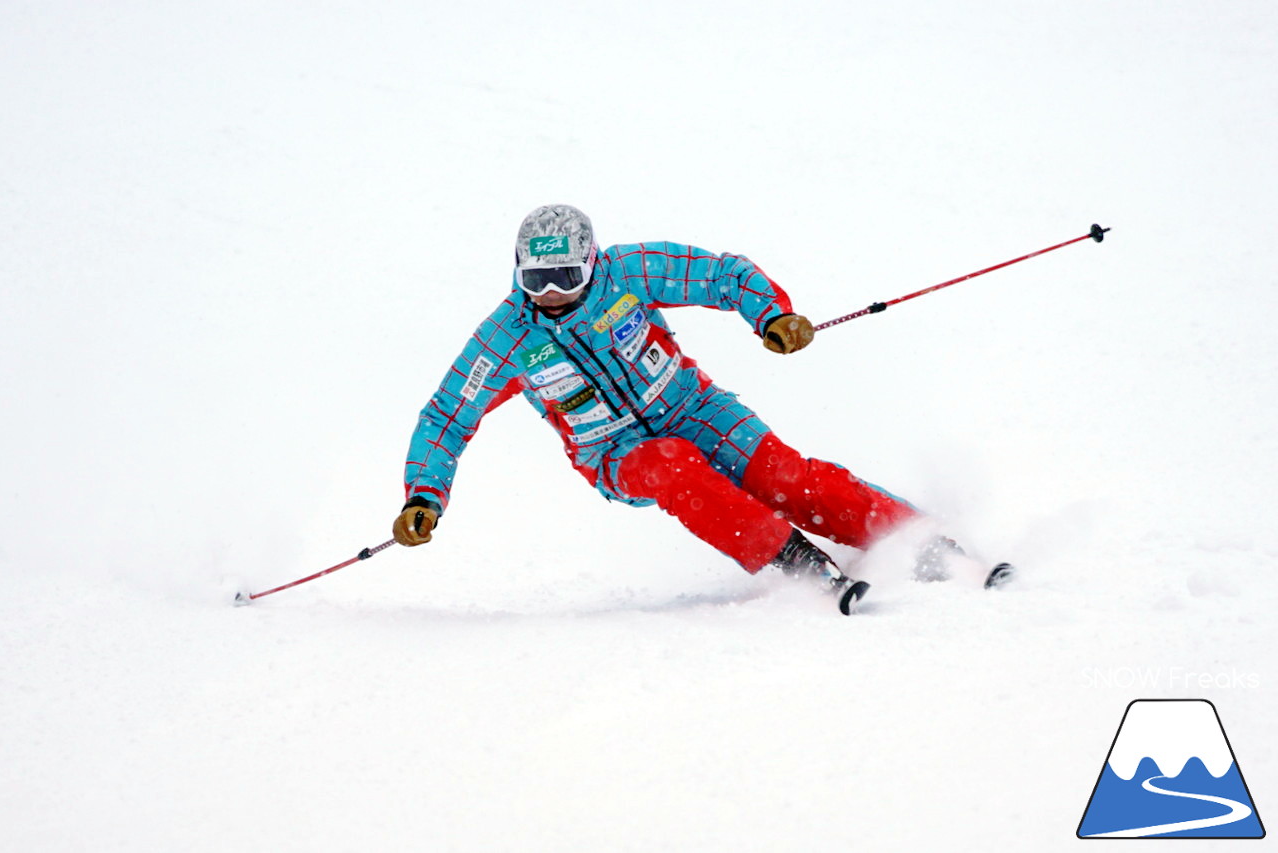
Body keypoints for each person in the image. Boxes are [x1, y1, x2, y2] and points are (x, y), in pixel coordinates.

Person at [392, 204, 1010, 614]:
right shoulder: (506, 340)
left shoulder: (627, 272)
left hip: (692, 405)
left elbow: (719, 274)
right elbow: (448, 416)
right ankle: (791, 561)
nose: (551, 295)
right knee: (672, 464)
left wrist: (772, 314)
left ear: (590, 262)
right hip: (617, 453)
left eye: (564, 277)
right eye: (537, 281)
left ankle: (921, 540)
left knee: (780, 475)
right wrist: (425, 495)